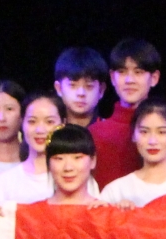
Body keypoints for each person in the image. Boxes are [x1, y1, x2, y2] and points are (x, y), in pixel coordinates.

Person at [0, 92, 86, 205]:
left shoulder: (76, 178)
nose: (40, 130)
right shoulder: (4, 183)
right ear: (22, 123)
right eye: (32, 121)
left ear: (63, 124)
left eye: (49, 122)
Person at [53, 46, 129, 185]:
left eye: (89, 86)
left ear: (101, 90)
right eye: (73, 85)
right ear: (59, 88)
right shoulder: (51, 132)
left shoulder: (110, 135)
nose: (81, 93)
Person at [91, 38, 161, 187]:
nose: (130, 80)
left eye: (138, 72)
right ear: (112, 77)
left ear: (154, 78)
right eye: (122, 72)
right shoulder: (94, 134)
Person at [99, 100, 166, 207]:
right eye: (144, 132)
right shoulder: (116, 191)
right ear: (133, 135)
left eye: (162, 132)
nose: (152, 141)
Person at [42, 124, 103, 206]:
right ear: (48, 162)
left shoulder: (109, 212)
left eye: (77, 157)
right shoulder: (28, 212)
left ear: (93, 160)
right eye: (59, 158)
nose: (68, 168)